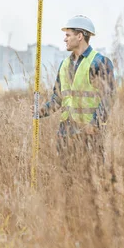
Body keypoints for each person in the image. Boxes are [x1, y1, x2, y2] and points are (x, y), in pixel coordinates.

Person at [37, 15, 115, 158]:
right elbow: (58, 98)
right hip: (65, 135)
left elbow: (109, 97)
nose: (64, 39)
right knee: (66, 179)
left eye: (68, 35)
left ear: (79, 36)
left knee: (90, 179)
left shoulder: (99, 62)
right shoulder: (64, 65)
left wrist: (95, 123)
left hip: (89, 136)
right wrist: (42, 111)